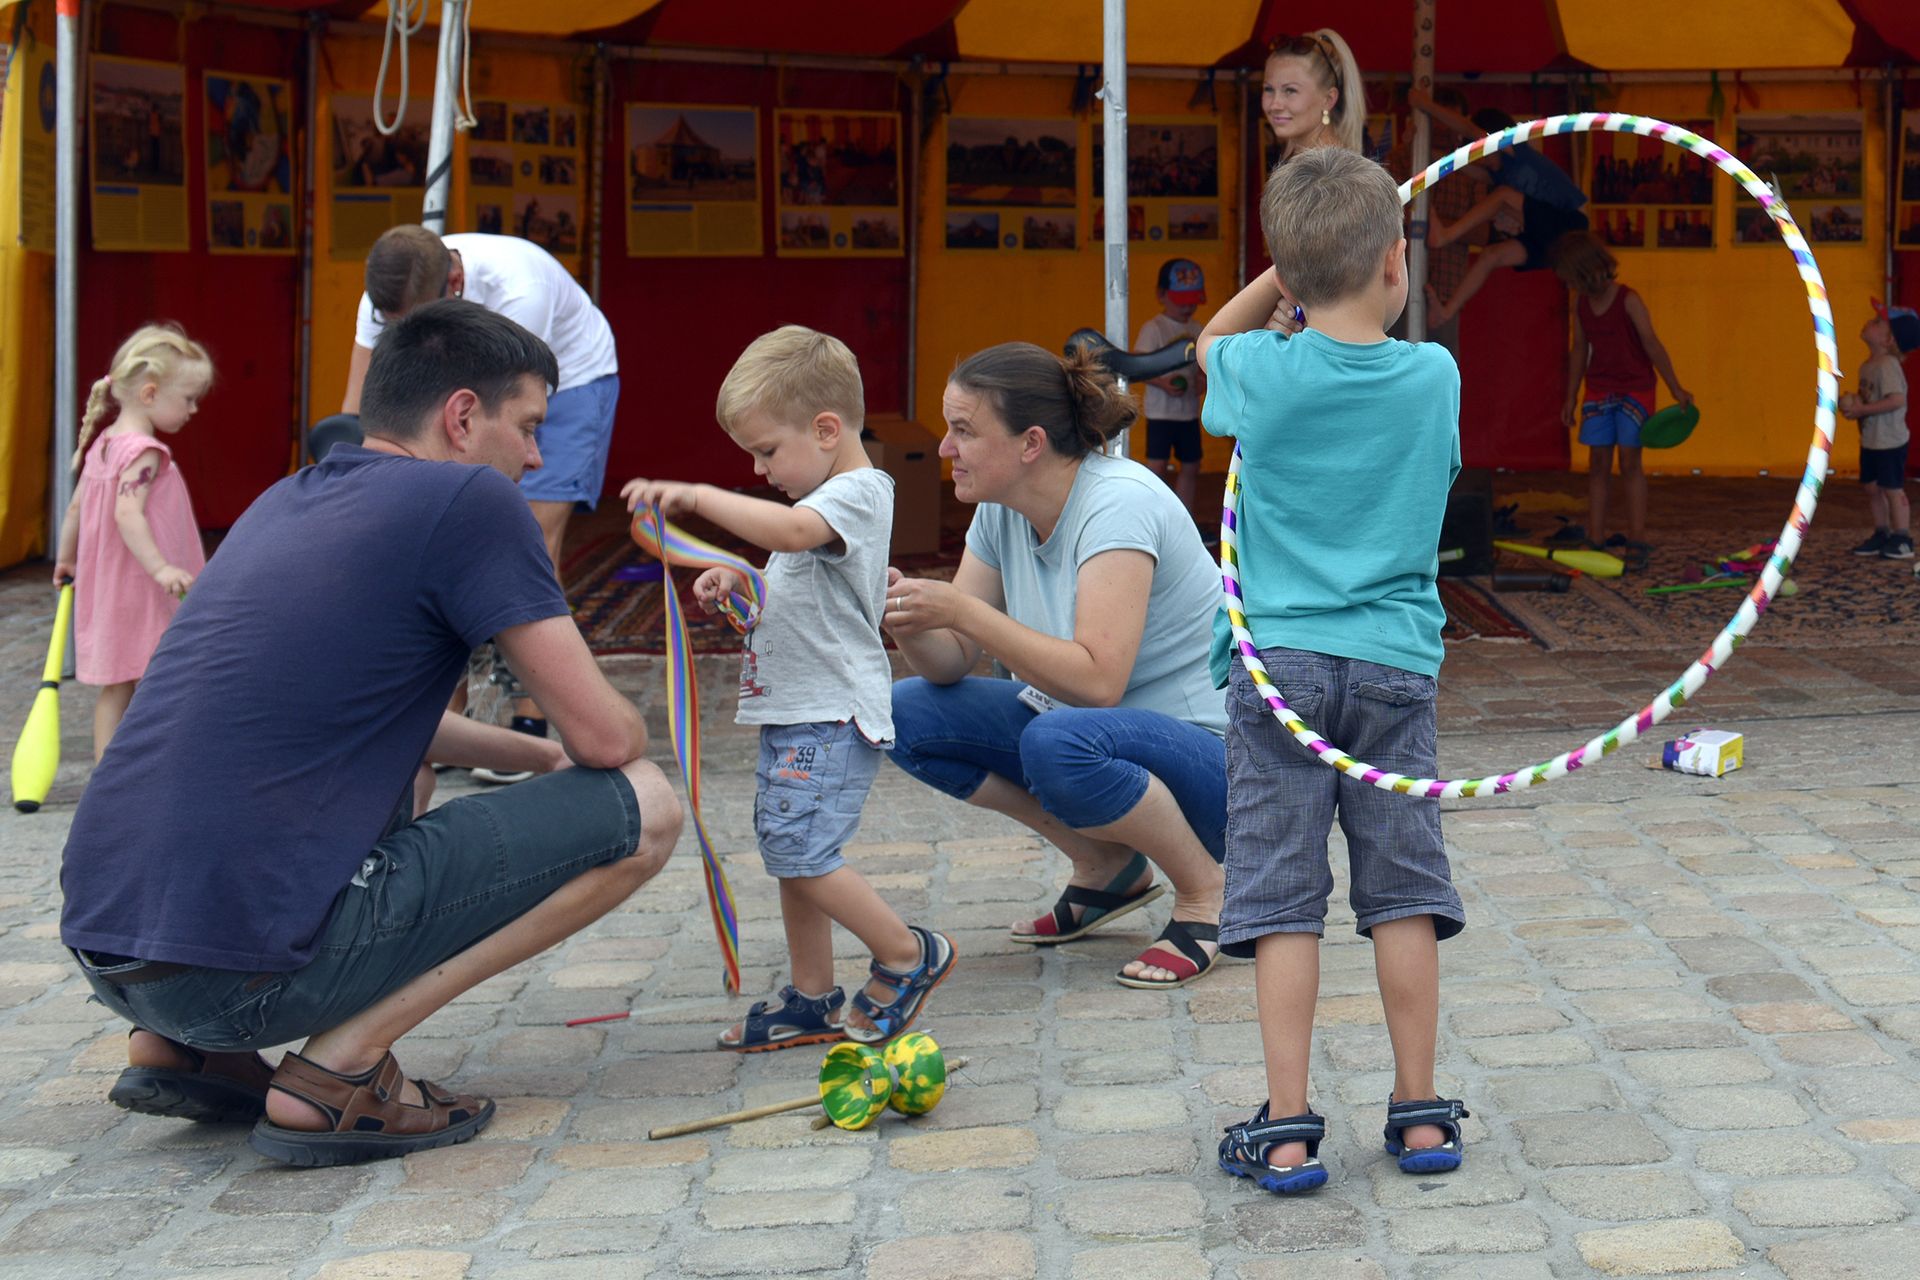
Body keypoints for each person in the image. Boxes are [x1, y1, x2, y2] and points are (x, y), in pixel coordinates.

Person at [60, 299, 683, 1167]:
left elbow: (379, 715)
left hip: (112, 955)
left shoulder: (286, 497)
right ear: (463, 416)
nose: (539, 456)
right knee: (647, 806)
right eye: (531, 425)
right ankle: (341, 1073)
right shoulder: (469, 498)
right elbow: (608, 744)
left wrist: (536, 755)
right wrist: (602, 733)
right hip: (229, 975)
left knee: (390, 771)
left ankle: (186, 1051)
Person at [1198, 146, 1468, 1194]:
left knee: (1280, 898)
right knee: (1404, 891)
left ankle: (1291, 1124)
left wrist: (1282, 281)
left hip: (1281, 675)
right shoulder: (1432, 372)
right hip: (1396, 664)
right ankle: (1419, 1111)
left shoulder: (1261, 370)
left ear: (1289, 277)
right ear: (1398, 263)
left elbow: (1208, 344)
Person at [619, 326, 955, 1050]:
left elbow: (799, 535)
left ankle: (906, 953)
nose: (758, 467)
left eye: (766, 451)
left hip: (831, 715)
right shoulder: (820, 499)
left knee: (802, 851)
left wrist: (700, 496)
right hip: (799, 711)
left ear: (827, 429)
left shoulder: (857, 493)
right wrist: (739, 584)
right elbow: (798, 585)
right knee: (790, 849)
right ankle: (811, 998)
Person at [886, 343, 1228, 990]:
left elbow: (1099, 682)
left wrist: (962, 611)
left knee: (1058, 740)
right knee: (904, 713)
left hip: (1218, 768)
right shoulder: (999, 508)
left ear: (1030, 443)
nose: (943, 449)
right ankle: (1106, 868)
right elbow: (951, 664)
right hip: (1092, 735)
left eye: (963, 430)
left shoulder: (1119, 504)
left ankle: (1205, 894)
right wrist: (911, 621)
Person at [341, 227, 621, 780]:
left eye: (417, 322)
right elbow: (357, 409)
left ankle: (525, 715)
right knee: (434, 535)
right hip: (467, 392)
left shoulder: (520, 288)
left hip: (561, 379)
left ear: (455, 283)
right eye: (399, 326)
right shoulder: (388, 296)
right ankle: (446, 720)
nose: (403, 331)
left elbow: (506, 402)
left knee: (526, 536)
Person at [51, 325, 212, 761]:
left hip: (108, 590)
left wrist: (66, 560)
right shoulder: (143, 451)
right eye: (188, 398)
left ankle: (107, 775)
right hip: (141, 590)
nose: (193, 409)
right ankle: (154, 769)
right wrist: (161, 569)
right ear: (149, 393)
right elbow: (127, 513)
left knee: (117, 686)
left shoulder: (104, 444)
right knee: (157, 682)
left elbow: (75, 510)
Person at [1549, 232, 1691, 562]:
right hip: (1599, 391)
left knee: (1630, 462)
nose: (1571, 287)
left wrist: (1676, 388)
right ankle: (1596, 536)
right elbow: (1580, 349)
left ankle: (1637, 538)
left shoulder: (1628, 300)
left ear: (1586, 271)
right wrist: (1571, 397)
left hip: (1636, 391)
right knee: (1598, 463)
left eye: (1573, 279)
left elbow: (1652, 345)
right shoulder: (1581, 304)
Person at [1411, 92, 1590, 328]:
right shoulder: (1498, 172)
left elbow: (1468, 128)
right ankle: (1446, 311)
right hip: (1547, 238)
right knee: (1491, 255)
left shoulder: (1515, 151)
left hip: (1569, 223)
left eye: (1482, 152)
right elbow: (1464, 168)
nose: (1483, 161)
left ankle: (1447, 235)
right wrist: (1422, 150)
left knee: (1503, 195)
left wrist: (1425, 105)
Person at [1840, 300, 1919, 560]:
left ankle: (1902, 537)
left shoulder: (1887, 365)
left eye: (1876, 322)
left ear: (1888, 340)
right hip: (1872, 440)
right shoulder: (1869, 365)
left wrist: (1862, 410)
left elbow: (1897, 400)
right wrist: (1856, 407)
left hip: (1890, 441)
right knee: (1873, 488)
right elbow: (1874, 400)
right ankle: (1882, 532)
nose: (1869, 322)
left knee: (1892, 488)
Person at [1135, 259, 1208, 521]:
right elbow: (1140, 366)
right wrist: (1163, 382)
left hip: (1187, 413)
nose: (1187, 307)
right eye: (1181, 301)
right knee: (1156, 466)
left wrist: (1202, 380)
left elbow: (1203, 363)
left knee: (1191, 465)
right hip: (1161, 413)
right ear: (1161, 295)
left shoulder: (1197, 329)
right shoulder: (1154, 328)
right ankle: (1152, 518)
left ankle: (1183, 519)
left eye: (1192, 301)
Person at [1261, 30, 1367, 162]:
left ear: (1329, 99)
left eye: (1290, 90)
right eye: (1268, 89)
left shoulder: (1329, 171)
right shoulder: (1304, 160)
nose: (1275, 105)